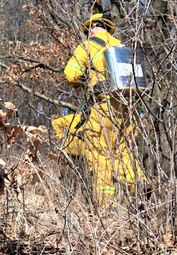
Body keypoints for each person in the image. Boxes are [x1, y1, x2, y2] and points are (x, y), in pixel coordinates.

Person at [59, 14, 143, 205]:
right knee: (124, 152)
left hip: (103, 106)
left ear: (92, 29)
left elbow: (71, 75)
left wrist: (86, 81)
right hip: (131, 109)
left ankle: (107, 206)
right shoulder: (125, 49)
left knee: (100, 155)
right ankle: (137, 185)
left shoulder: (88, 46)